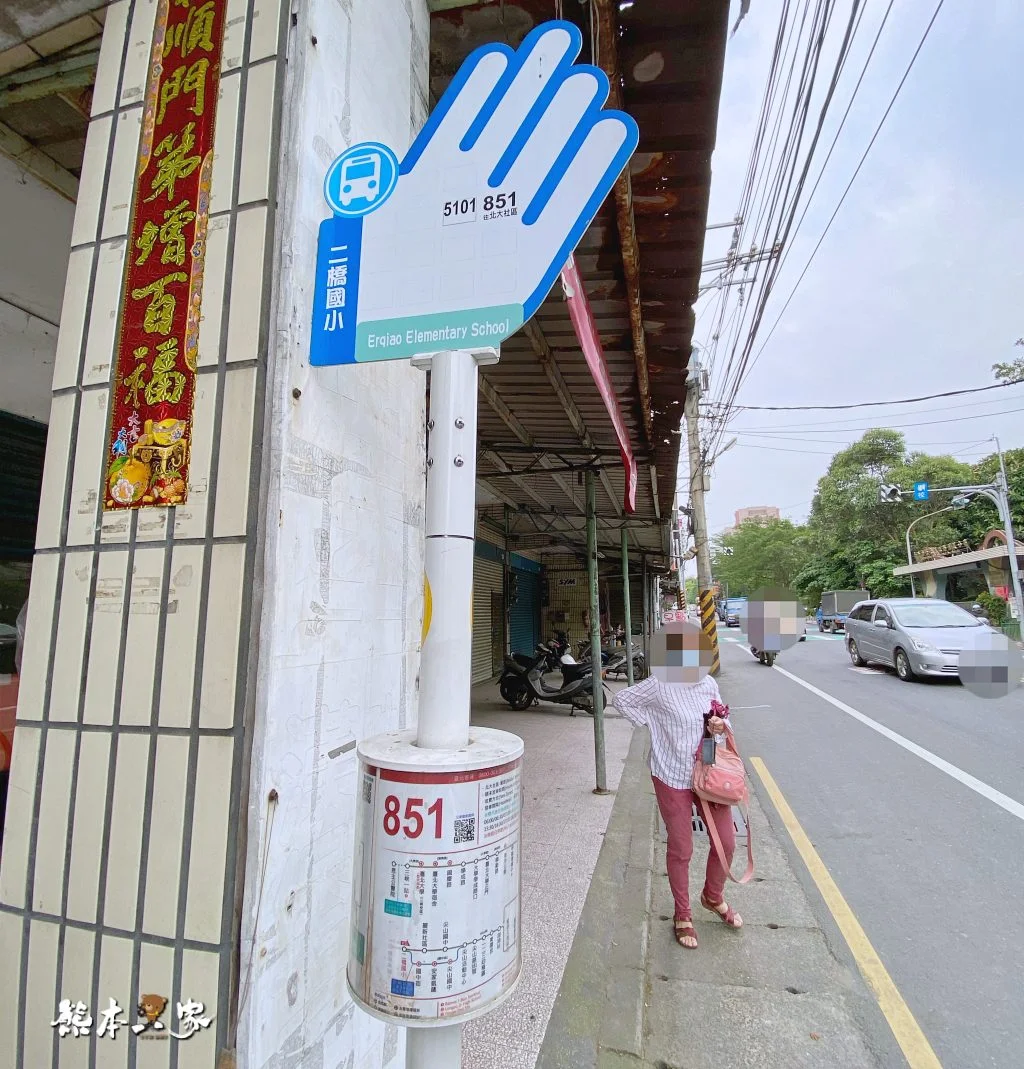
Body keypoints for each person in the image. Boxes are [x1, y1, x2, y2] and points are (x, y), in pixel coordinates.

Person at [611, 658, 741, 949]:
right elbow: (621, 700)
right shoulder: (660, 685)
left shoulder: (708, 684)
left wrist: (721, 725)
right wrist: (652, 724)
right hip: (672, 775)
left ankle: (713, 896)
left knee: (727, 843)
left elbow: (723, 718)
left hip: (708, 773)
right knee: (682, 847)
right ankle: (682, 914)